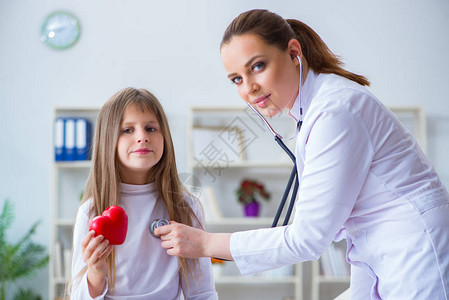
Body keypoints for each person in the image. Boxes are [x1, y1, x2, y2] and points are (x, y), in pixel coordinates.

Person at [155, 9, 449, 300]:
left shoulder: (335, 110)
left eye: (257, 66)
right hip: (380, 253)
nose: (249, 88)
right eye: (236, 79)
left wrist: (205, 243)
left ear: (293, 52)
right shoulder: (315, 110)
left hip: (416, 252)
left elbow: (308, 238)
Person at [69, 87, 218, 300]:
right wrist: (95, 272)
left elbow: (202, 292)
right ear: (108, 140)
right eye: (127, 130)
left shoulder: (186, 206)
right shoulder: (91, 212)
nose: (142, 137)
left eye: (151, 128)